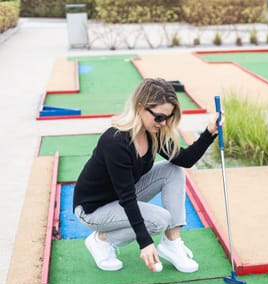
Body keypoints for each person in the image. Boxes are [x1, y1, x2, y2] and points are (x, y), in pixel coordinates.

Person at [73, 78, 220, 273]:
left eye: (167, 117)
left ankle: (172, 243)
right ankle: (101, 240)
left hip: (118, 197)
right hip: (93, 208)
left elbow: (184, 160)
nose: (164, 123)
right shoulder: (115, 142)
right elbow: (127, 198)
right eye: (159, 117)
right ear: (140, 107)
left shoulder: (153, 132)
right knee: (159, 219)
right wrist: (145, 242)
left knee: (173, 170)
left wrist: (209, 133)